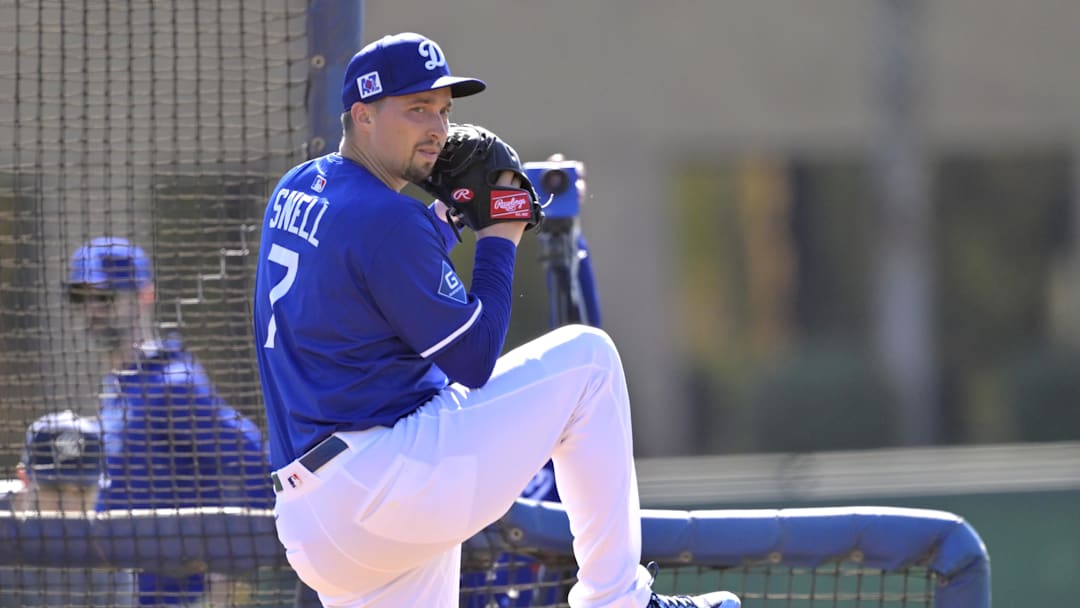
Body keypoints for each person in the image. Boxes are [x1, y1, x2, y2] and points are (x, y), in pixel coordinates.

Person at [252, 32, 741, 608]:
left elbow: (369, 269)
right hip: (385, 485)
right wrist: (499, 236)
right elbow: (473, 359)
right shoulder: (389, 221)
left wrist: (446, 218)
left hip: (314, 523)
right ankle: (618, 599)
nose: (438, 128)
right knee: (590, 362)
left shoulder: (297, 187)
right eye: (416, 109)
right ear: (362, 114)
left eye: (443, 110)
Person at [67, 236, 273, 607]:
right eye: (81, 297)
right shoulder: (119, 384)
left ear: (144, 296)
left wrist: (229, 566)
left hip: (179, 596)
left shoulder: (171, 383)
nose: (92, 309)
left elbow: (256, 460)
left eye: (106, 297)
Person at [0, 411, 139, 607]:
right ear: (25, 478)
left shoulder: (110, 553)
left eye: (82, 491)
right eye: (55, 489)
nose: (69, 506)